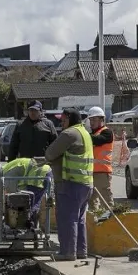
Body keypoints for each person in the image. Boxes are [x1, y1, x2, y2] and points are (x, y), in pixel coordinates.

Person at [45, 108, 94, 261]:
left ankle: (67, 252)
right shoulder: (85, 132)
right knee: (79, 219)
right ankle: (80, 251)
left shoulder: (69, 134)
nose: (61, 122)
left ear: (70, 119)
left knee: (67, 218)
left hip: (71, 183)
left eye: (64, 119)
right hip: (86, 183)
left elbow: (50, 153)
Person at [2, 157, 53, 230]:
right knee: (34, 203)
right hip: (45, 172)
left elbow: (12, 193)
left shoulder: (6, 174)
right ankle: (32, 226)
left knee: (30, 204)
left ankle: (29, 226)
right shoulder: (8, 167)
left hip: (39, 175)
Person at [86, 106, 114, 210]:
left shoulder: (106, 132)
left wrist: (84, 134)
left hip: (102, 172)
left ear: (102, 119)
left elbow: (97, 140)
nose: (91, 122)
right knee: (91, 201)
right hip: (91, 172)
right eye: (91, 119)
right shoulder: (92, 134)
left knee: (106, 201)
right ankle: (94, 223)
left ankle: (109, 222)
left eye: (94, 119)